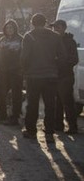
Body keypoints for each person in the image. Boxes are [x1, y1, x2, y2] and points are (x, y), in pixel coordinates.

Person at [20, 13, 64, 142]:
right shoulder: (55, 37)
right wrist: (56, 69)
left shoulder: (29, 36)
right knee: (50, 104)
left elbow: (24, 57)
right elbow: (62, 56)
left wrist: (25, 70)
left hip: (33, 76)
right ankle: (49, 132)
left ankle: (31, 131)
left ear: (32, 23)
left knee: (32, 104)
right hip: (51, 75)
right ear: (45, 22)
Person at [0, 20, 24, 125]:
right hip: (3, 72)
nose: (9, 29)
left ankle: (15, 117)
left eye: (11, 28)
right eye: (7, 28)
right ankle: (1, 114)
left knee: (16, 96)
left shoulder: (21, 40)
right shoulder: (2, 40)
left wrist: (21, 69)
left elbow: (24, 55)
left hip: (16, 72)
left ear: (15, 29)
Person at [51, 19, 79, 134]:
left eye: (57, 27)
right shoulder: (53, 41)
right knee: (57, 102)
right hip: (55, 75)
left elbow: (74, 59)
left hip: (66, 76)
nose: (55, 29)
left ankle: (72, 127)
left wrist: (60, 61)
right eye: (54, 27)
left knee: (67, 102)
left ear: (63, 28)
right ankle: (58, 125)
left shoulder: (69, 41)